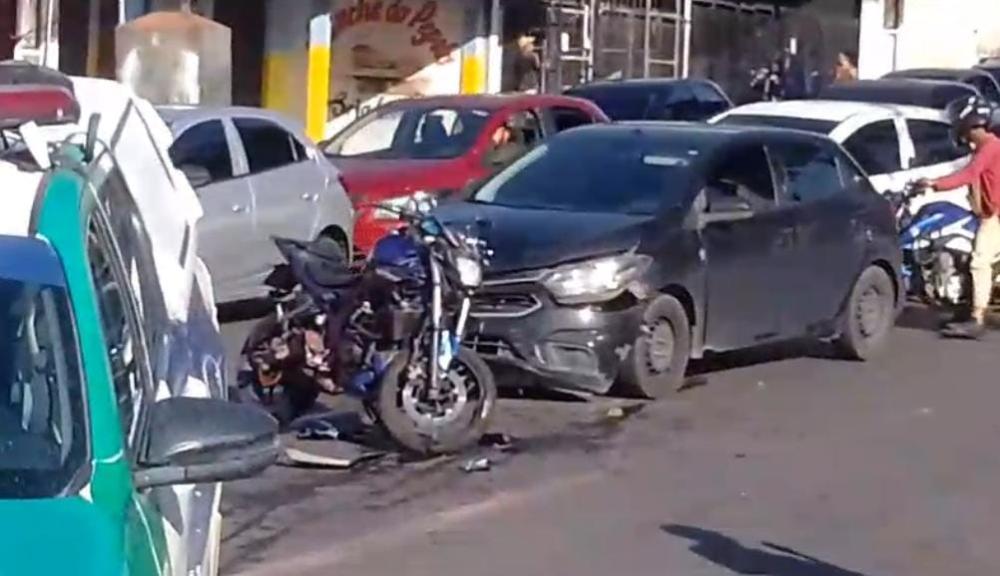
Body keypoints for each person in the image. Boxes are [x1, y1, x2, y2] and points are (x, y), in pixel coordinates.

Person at [917, 96, 1000, 339]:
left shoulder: (990, 148)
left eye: (960, 126)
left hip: (995, 216)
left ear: (968, 124)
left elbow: (968, 174)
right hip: (987, 213)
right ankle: (965, 306)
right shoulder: (988, 146)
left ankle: (976, 318)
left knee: (979, 262)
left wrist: (934, 184)